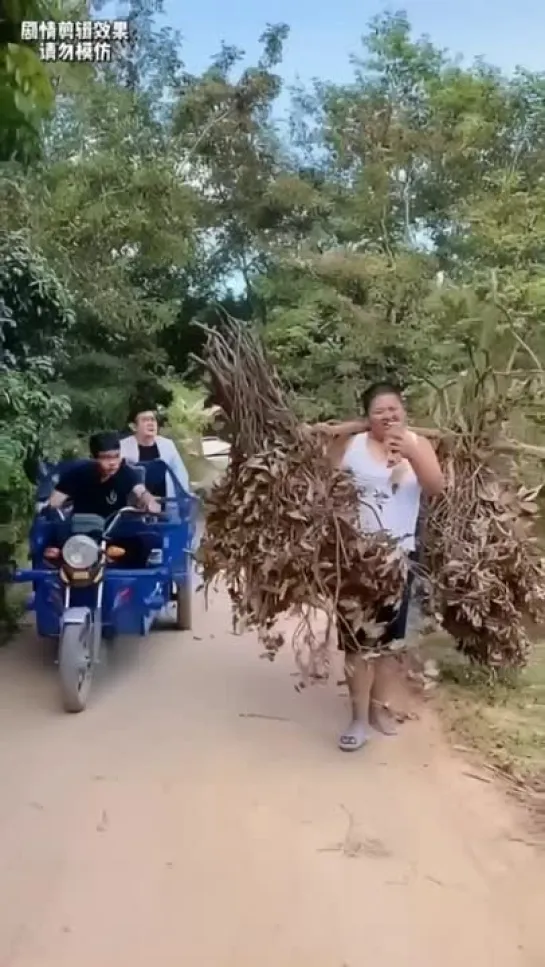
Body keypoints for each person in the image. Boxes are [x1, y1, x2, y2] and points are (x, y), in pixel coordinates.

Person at [328, 383, 444, 753]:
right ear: (368, 417)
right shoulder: (353, 447)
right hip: (355, 559)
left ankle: (378, 712)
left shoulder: (416, 444)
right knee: (357, 644)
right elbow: (325, 483)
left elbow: (436, 487)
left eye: (394, 408)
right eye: (380, 411)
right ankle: (357, 719)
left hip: (399, 558)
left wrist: (411, 452)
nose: (389, 416)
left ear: (403, 411)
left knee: (389, 644)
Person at [47, 432, 161, 567]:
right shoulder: (78, 474)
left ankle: (132, 586)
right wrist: (50, 508)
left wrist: (150, 502)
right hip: (81, 533)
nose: (113, 463)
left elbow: (141, 491)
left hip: (114, 531)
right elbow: (54, 502)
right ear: (93, 458)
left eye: (116, 456)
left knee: (144, 546)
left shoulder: (126, 473)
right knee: (52, 551)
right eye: (106, 458)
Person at [120, 406, 190, 503]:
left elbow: (180, 473)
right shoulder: (123, 446)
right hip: (134, 504)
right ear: (134, 427)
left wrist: (183, 499)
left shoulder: (167, 445)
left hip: (165, 501)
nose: (151, 423)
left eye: (153, 420)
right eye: (145, 420)